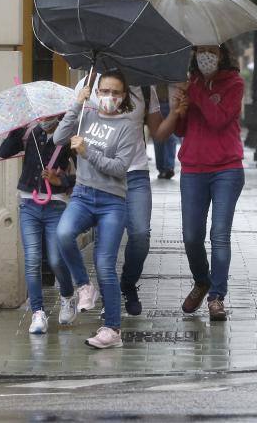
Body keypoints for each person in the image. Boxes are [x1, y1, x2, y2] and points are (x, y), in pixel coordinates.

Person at [73, 74, 180, 318]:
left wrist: (175, 112)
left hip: (135, 173)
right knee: (104, 243)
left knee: (140, 235)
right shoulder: (88, 83)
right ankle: (108, 302)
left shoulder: (143, 86)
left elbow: (158, 133)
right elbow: (74, 128)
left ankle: (128, 284)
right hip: (100, 176)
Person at [54, 69, 140, 349]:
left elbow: (119, 168)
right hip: (82, 194)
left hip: (112, 201)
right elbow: (58, 137)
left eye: (116, 92)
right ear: (96, 92)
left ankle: (112, 329)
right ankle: (83, 286)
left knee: (105, 264)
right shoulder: (85, 115)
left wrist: (87, 151)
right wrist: (77, 103)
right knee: (64, 234)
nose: (109, 97)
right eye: (105, 91)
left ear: (123, 96)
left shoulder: (128, 126)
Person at [173, 44, 245, 321]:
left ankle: (217, 296)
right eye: (199, 50)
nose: (205, 55)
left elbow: (218, 119)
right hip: (193, 168)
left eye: (210, 50)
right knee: (191, 236)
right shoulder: (190, 85)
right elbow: (181, 130)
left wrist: (198, 93)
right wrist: (181, 109)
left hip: (226, 169)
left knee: (219, 235)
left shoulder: (234, 84)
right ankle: (202, 281)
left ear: (222, 53)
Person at [0, 115, 79, 334]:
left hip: (56, 205)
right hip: (28, 203)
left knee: (55, 259)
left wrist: (61, 181)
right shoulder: (30, 134)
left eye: (50, 115)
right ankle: (38, 313)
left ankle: (68, 295)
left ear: (60, 114)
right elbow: (3, 152)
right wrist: (17, 128)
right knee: (32, 259)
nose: (45, 119)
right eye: (42, 115)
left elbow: (83, 175)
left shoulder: (69, 136)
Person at [153, 84, 179, 179]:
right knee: (158, 137)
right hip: (156, 103)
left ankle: (169, 167)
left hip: (171, 103)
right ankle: (161, 168)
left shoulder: (173, 70)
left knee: (171, 137)